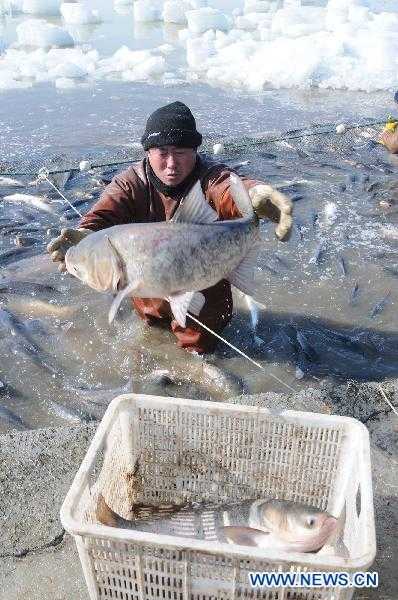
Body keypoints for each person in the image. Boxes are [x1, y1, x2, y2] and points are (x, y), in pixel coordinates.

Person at [47, 101, 293, 354]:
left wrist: (254, 195)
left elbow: (227, 188)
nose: (171, 163)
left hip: (204, 279)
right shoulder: (130, 183)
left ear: (196, 151)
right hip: (149, 286)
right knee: (151, 334)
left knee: (203, 345)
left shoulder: (210, 176)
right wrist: (87, 233)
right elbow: (103, 214)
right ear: (148, 152)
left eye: (181, 151)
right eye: (162, 152)